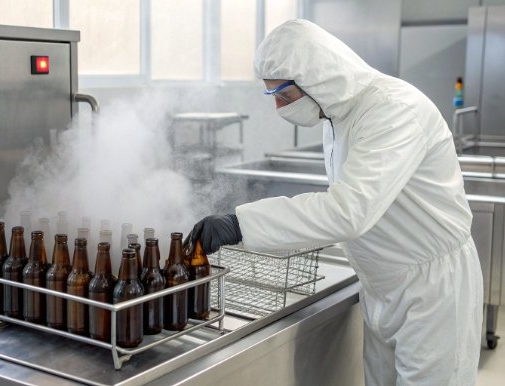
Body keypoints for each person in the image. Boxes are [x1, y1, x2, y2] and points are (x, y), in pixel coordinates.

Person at [185, 19, 483, 385]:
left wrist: (240, 223)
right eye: (273, 95)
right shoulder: (336, 113)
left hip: (431, 287)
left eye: (285, 95)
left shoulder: (394, 109)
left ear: (318, 78)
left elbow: (348, 211)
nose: (279, 106)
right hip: (381, 283)